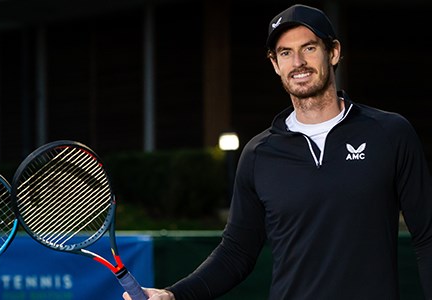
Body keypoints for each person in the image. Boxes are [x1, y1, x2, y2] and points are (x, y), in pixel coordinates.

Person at [124, 4, 432, 300]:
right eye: (286, 53)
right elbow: (236, 253)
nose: (298, 62)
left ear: (333, 52)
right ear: (275, 64)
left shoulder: (390, 133)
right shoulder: (259, 154)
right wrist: (175, 294)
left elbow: (427, 236)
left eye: (309, 48)